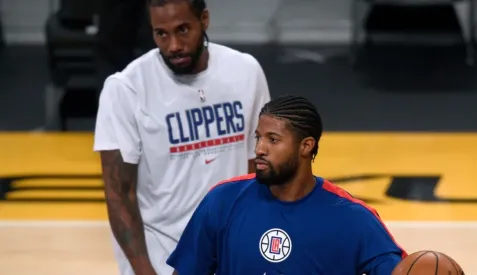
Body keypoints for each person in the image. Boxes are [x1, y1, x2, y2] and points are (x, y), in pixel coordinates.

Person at [92, 0, 271, 274]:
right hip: (159, 257)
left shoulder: (246, 73)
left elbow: (255, 169)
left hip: (226, 254)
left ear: (205, 20)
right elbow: (119, 194)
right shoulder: (126, 89)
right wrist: (145, 271)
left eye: (183, 30)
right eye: (161, 33)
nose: (173, 45)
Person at [166, 95, 407, 275]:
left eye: (273, 140)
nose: (259, 149)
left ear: (306, 146)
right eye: (258, 138)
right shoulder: (223, 201)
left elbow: (405, 270)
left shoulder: (353, 218)